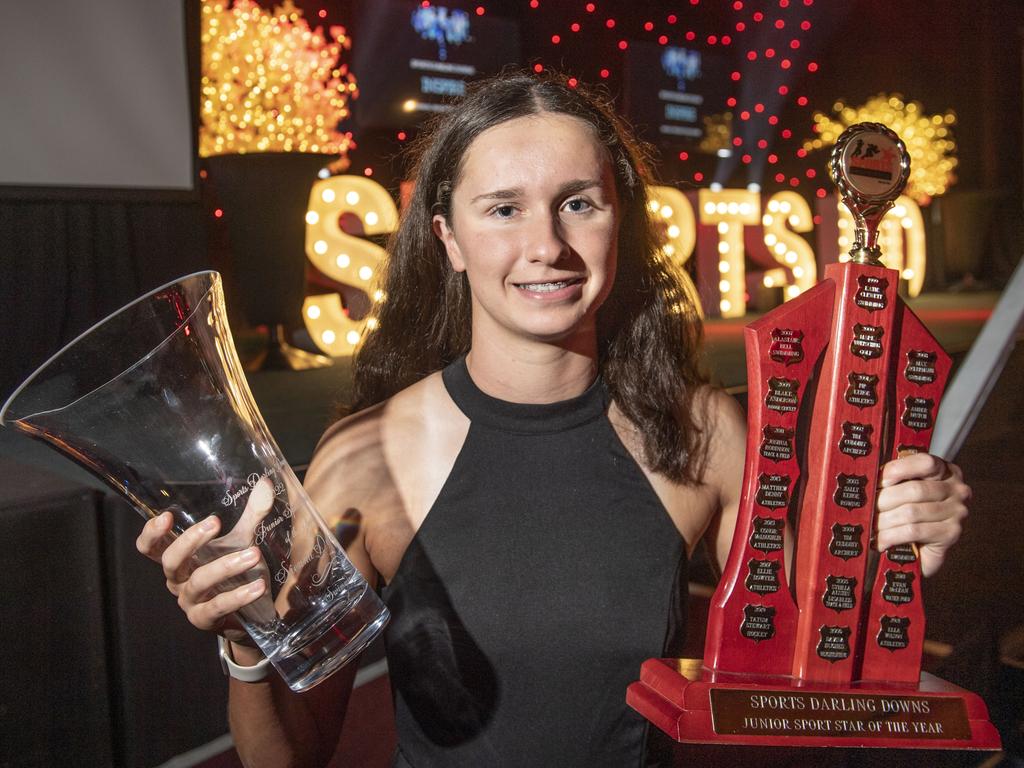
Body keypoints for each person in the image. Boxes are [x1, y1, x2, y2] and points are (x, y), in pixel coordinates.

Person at [137, 73, 970, 767]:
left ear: (621, 221)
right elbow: (293, 755)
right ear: (449, 239)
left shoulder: (701, 432)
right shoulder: (367, 458)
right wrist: (246, 646)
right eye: (503, 209)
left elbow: (818, 642)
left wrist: (890, 541)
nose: (547, 245)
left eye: (579, 204)